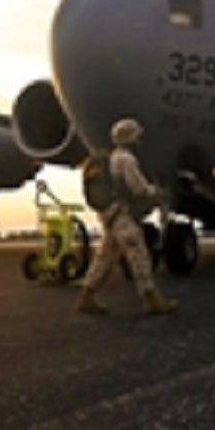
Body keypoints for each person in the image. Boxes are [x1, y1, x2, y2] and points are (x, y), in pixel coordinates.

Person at [74, 118, 178, 315]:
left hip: (110, 214)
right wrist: (156, 192)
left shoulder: (112, 157)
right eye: (137, 135)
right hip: (122, 215)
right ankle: (151, 298)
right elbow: (138, 189)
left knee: (105, 257)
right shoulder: (127, 160)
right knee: (138, 253)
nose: (139, 138)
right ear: (130, 137)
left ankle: (87, 296)